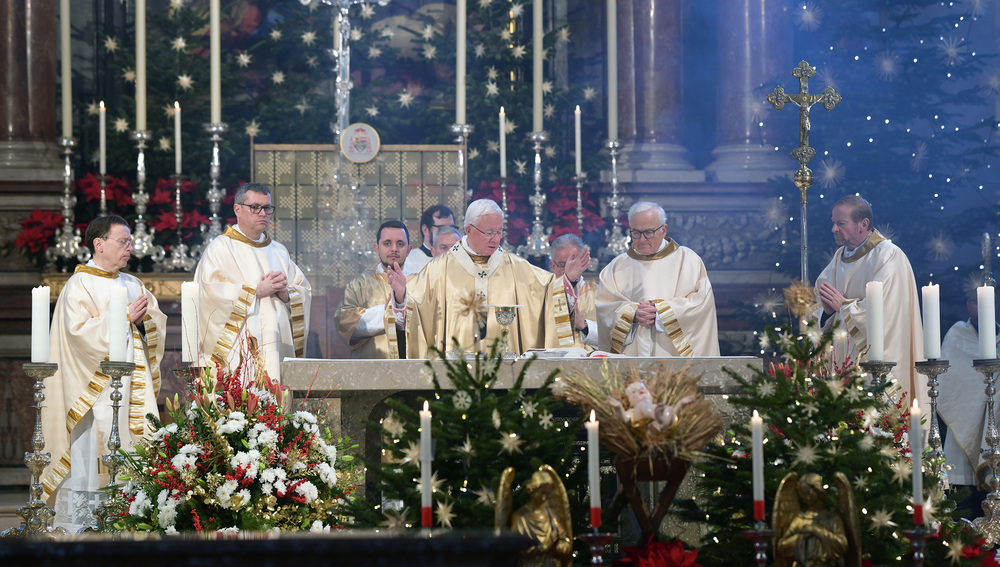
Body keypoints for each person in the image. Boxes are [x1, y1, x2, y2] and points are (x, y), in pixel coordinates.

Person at [40, 215, 166, 532]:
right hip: (95, 389)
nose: (130, 248)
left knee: (137, 444)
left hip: (134, 385)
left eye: (130, 242)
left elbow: (154, 324)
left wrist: (144, 320)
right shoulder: (78, 284)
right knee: (95, 450)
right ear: (99, 243)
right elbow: (79, 335)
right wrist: (123, 316)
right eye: (123, 241)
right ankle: (88, 525)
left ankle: (137, 518)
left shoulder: (132, 283)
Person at [388, 199, 583, 357]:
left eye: (499, 232)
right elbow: (414, 311)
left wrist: (568, 281)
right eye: (489, 232)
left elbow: (549, 293)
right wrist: (401, 296)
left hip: (508, 371)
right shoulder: (438, 269)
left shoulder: (516, 267)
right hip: (455, 373)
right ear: (469, 230)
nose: (496, 239)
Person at [194, 182, 311, 382]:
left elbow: (303, 290)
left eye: (267, 208)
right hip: (239, 350)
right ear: (237, 209)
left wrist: (286, 294)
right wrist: (255, 290)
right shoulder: (220, 248)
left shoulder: (278, 251)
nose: (263, 213)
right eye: (255, 207)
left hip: (277, 344)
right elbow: (210, 295)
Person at [814, 195, 924, 406]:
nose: (834, 229)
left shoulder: (889, 256)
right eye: (834, 223)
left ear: (863, 224)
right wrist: (826, 312)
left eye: (841, 223)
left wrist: (843, 307)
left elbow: (886, 311)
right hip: (843, 363)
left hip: (878, 361)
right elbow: (819, 303)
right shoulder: (840, 256)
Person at [595, 201, 720, 356]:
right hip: (631, 359)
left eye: (648, 232)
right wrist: (632, 313)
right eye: (636, 232)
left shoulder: (688, 261)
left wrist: (660, 312)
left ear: (664, 230)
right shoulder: (616, 266)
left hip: (672, 357)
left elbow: (701, 305)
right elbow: (604, 307)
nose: (641, 240)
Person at [938, 287, 998, 508]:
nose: (980, 306)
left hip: (996, 425)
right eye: (975, 301)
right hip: (963, 419)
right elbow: (951, 380)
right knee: (965, 502)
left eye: (988, 302)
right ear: (968, 304)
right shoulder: (957, 335)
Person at [333, 220, 413, 359]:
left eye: (400, 244)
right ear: (377, 248)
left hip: (413, 368)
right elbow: (345, 323)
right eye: (387, 243)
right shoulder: (359, 285)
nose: (394, 248)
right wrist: (394, 310)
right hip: (371, 369)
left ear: (409, 249)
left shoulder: (420, 283)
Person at [549, 233, 598, 349]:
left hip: (588, 362)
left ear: (583, 262)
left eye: (574, 263)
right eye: (563, 265)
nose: (569, 270)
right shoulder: (543, 294)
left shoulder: (598, 293)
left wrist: (584, 326)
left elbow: (611, 338)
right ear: (553, 266)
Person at [403, 204, 455, 273]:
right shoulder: (408, 261)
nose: (448, 233)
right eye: (442, 228)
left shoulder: (460, 259)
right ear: (426, 230)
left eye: (451, 228)